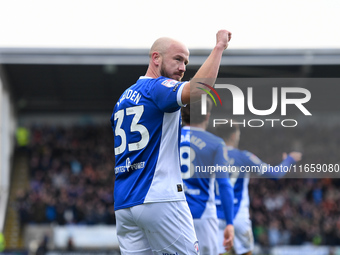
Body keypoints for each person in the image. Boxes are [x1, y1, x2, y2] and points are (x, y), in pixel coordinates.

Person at [110, 29, 232, 254]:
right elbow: (198, 89)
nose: (183, 68)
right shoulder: (157, 88)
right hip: (159, 197)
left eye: (186, 62)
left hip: (125, 204)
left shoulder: (123, 98)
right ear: (156, 58)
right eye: (178, 59)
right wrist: (219, 47)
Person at [213, 123, 302, 255]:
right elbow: (275, 174)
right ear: (233, 135)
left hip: (214, 215)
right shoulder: (243, 157)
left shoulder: (209, 156)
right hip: (238, 215)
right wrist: (289, 160)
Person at [180, 99, 234, 254]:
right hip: (202, 215)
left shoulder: (167, 138)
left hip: (172, 213)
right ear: (207, 116)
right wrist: (229, 223)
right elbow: (224, 185)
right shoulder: (216, 143)